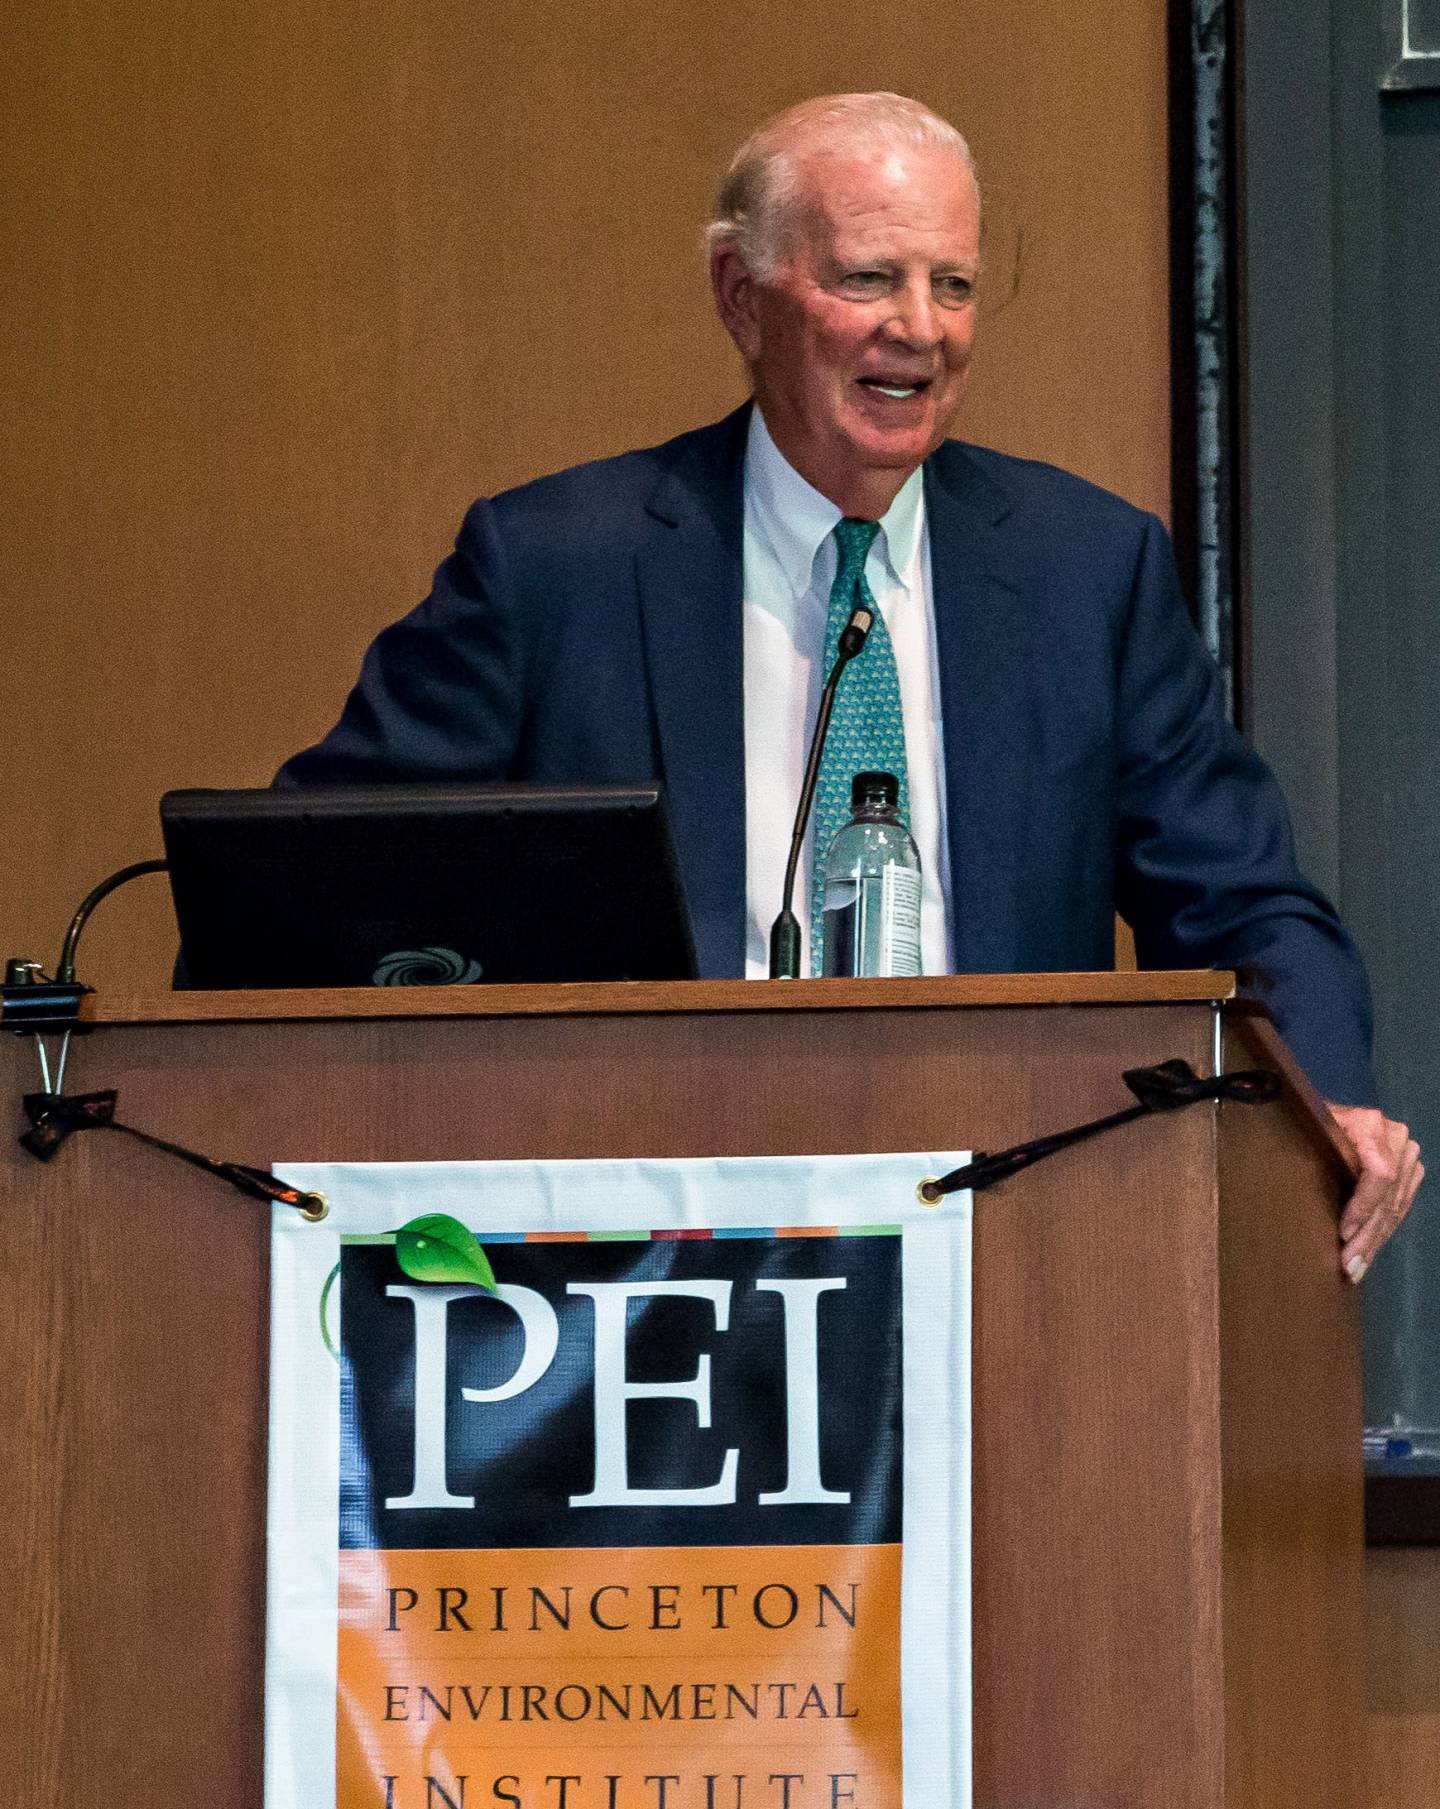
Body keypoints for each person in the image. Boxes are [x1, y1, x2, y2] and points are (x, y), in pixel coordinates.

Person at [277, 92, 1421, 1278]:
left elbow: (1246, 908)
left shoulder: (1087, 571)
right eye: (871, 280)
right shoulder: (555, 569)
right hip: (636, 1254)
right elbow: (322, 891)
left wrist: (1323, 1104)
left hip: (1011, 1242)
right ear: (741, 296)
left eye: (956, 286)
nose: (920, 330)